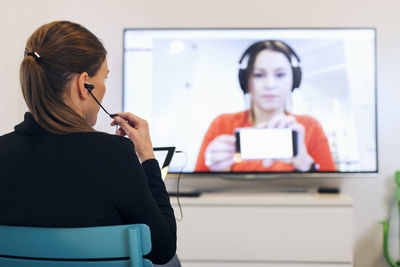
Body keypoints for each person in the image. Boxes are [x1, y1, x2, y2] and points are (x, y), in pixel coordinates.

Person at [0, 21, 176, 264]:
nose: (104, 87)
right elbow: (162, 248)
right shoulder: (114, 155)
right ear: (85, 84)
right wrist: (147, 156)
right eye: (104, 78)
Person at [195, 40, 336, 172]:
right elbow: (192, 192)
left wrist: (304, 163)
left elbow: (332, 192)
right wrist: (213, 170)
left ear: (294, 80)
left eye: (280, 74)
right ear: (245, 81)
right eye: (258, 75)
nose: (270, 85)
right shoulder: (222, 125)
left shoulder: (310, 127)